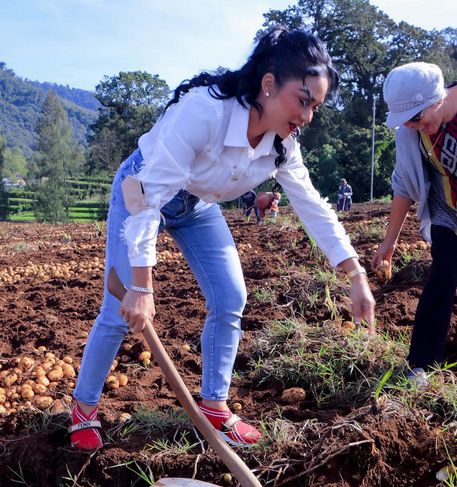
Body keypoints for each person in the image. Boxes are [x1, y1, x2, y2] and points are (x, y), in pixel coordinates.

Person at [70, 26, 375, 451]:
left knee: (231, 295)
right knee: (119, 311)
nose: (307, 116)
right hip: (143, 191)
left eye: (315, 108)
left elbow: (312, 206)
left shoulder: (283, 145)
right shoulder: (203, 111)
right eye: (303, 101)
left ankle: (214, 405)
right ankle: (84, 408)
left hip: (197, 206)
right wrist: (140, 284)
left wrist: (355, 273)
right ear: (269, 84)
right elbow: (148, 200)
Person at [372, 62, 457, 388]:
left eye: (417, 117)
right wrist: (389, 242)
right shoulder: (413, 135)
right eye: (406, 121)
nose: (413, 126)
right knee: (444, 272)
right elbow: (405, 185)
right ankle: (421, 365)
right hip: (447, 208)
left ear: (437, 98)